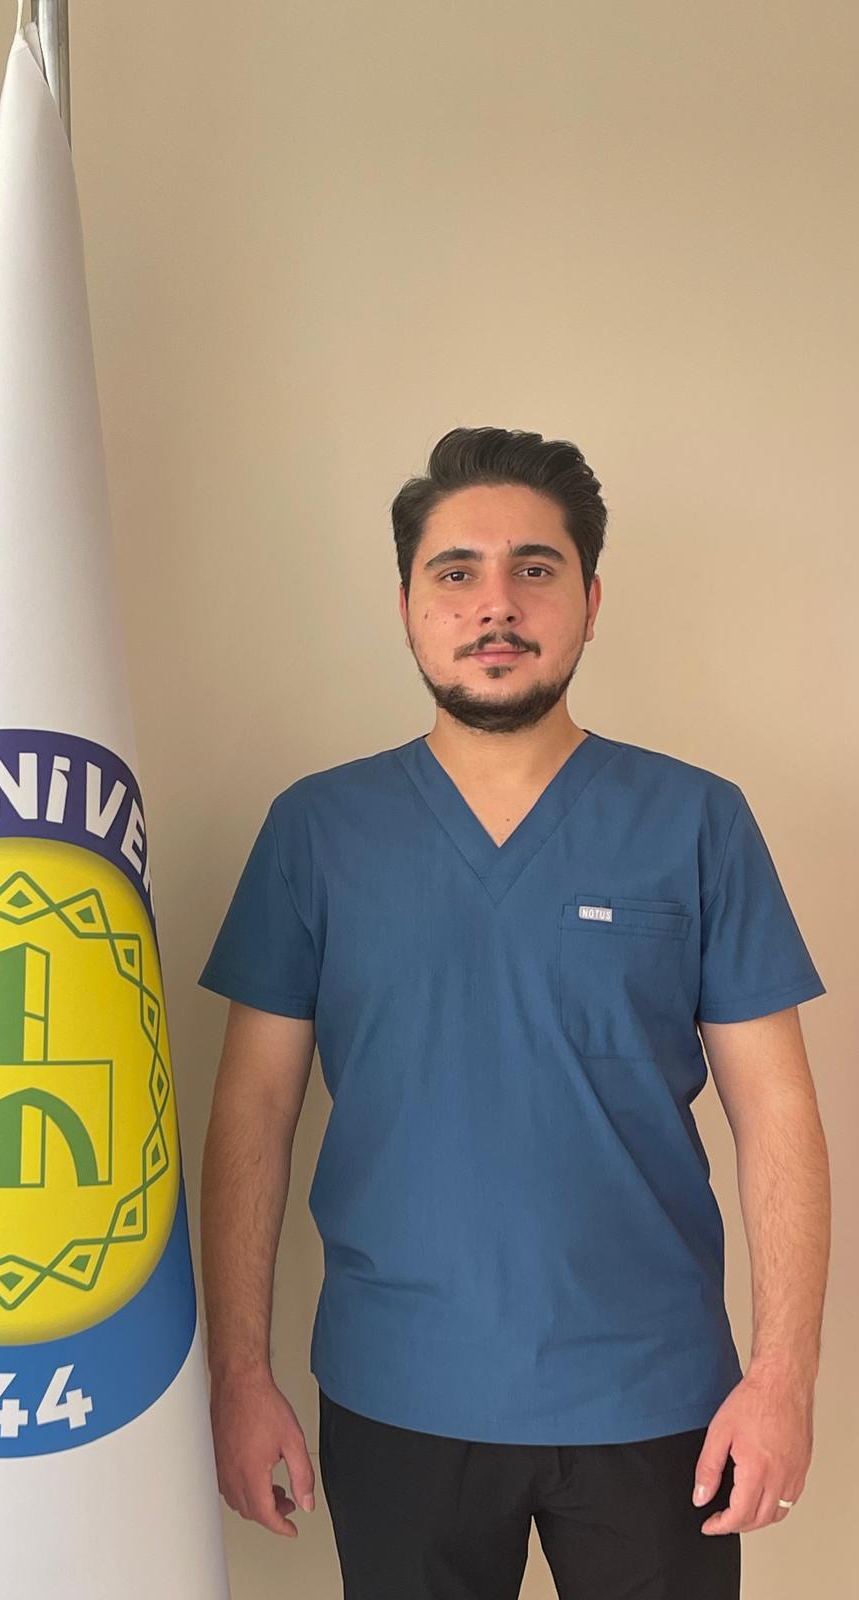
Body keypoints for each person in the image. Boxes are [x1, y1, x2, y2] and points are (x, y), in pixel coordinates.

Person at [195, 426, 831, 1600]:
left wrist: (784, 1379)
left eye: (535, 569)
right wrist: (237, 1376)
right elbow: (252, 1114)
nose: (496, 603)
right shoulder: (317, 833)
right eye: (457, 571)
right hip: (396, 1393)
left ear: (590, 601)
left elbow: (778, 1114)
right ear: (407, 605)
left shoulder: (697, 823)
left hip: (658, 1398)